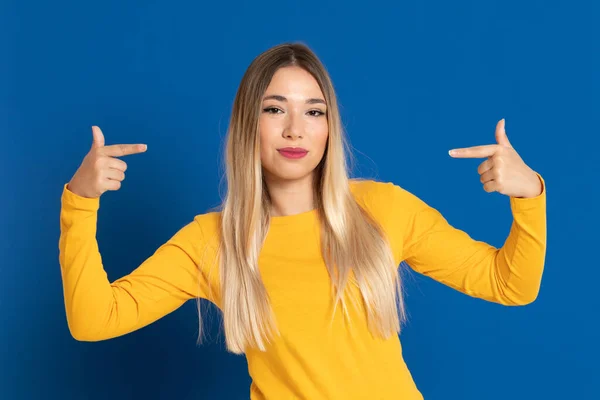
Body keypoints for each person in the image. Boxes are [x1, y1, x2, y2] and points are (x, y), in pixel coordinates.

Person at [58, 42, 546, 399]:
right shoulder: (212, 242)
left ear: (330, 126)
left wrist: (528, 194)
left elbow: (510, 285)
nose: (295, 129)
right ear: (249, 122)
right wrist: (81, 201)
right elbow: (94, 320)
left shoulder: (384, 210)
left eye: (314, 111)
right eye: (275, 109)